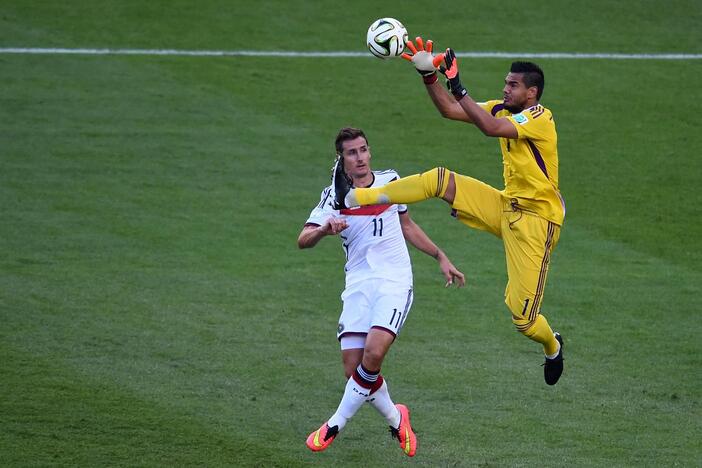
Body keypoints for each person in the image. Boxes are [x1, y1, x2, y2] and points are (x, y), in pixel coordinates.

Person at [333, 38, 566, 385]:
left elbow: (489, 129)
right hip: (505, 205)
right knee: (440, 179)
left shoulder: (539, 118)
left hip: (536, 223)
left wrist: (457, 83)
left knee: (524, 320)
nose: (505, 88)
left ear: (531, 93)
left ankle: (553, 346)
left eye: (512, 85)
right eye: (505, 82)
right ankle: (358, 197)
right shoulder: (502, 108)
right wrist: (428, 76)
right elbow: (450, 110)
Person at [299, 127, 465, 457]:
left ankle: (334, 424)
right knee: (354, 371)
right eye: (352, 152)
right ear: (341, 159)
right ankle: (396, 417)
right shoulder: (333, 198)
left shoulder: (390, 181)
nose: (360, 157)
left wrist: (439, 255)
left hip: (394, 281)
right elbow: (303, 240)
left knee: (373, 354)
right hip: (358, 285)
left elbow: (407, 225)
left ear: (370, 152)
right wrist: (324, 230)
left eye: (363, 150)